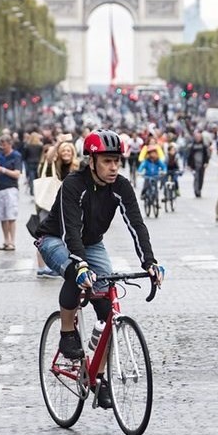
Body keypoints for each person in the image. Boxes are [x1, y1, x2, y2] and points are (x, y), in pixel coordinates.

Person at [33, 129, 164, 409]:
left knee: (107, 312)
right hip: (55, 238)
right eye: (107, 161)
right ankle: (68, 333)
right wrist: (80, 264)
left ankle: (99, 379)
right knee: (75, 273)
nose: (114, 167)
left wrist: (149, 262)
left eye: (117, 160)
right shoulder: (73, 184)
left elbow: (137, 225)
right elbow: (70, 230)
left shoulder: (121, 186)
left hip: (92, 242)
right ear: (91, 161)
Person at [35, 139, 79, 278]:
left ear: (73, 153)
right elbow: (48, 158)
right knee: (45, 237)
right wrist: (58, 143)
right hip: (49, 205)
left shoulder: (77, 168)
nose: (66, 153)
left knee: (66, 237)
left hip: (68, 208)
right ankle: (43, 267)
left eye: (69, 151)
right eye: (63, 151)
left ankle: (62, 264)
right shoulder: (54, 166)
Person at [0, 134, 23, 251]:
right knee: (2, 216)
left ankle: (12, 242)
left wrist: (2, 169)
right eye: (0, 145)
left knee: (11, 215)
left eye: (3, 144)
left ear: (9, 144)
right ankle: (6, 240)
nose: (1, 147)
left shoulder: (16, 156)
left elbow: (17, 174)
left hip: (11, 188)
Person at [186, 130, 209, 197]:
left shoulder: (204, 146)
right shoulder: (192, 146)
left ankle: (199, 188)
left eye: (199, 137)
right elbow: (189, 156)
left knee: (201, 178)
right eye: (197, 137)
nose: (198, 138)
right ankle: (196, 190)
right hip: (194, 165)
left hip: (201, 164)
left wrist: (206, 162)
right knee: (196, 178)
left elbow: (206, 155)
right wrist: (189, 165)